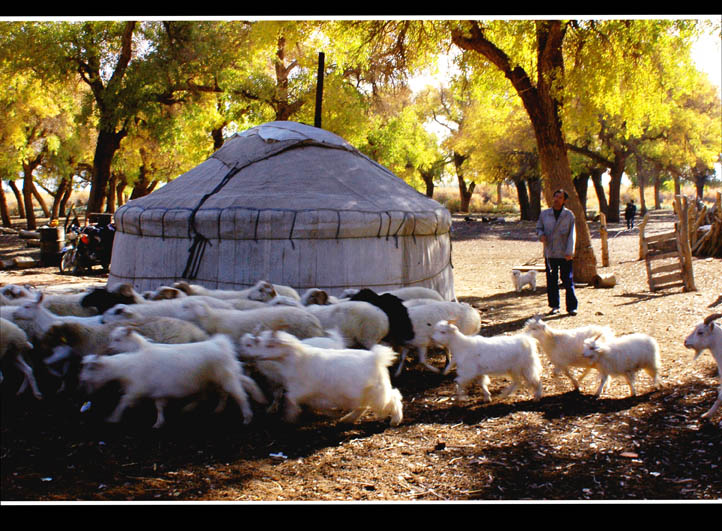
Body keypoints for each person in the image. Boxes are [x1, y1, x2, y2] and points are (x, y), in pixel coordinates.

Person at [536, 189, 578, 316]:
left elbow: (572, 235)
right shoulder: (544, 214)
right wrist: (541, 235)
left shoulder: (569, 215)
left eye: (560, 197)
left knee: (567, 280)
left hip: (565, 254)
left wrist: (569, 251)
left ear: (564, 200)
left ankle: (571, 307)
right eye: (555, 197)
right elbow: (539, 228)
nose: (557, 199)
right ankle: (554, 306)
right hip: (550, 253)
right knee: (551, 281)